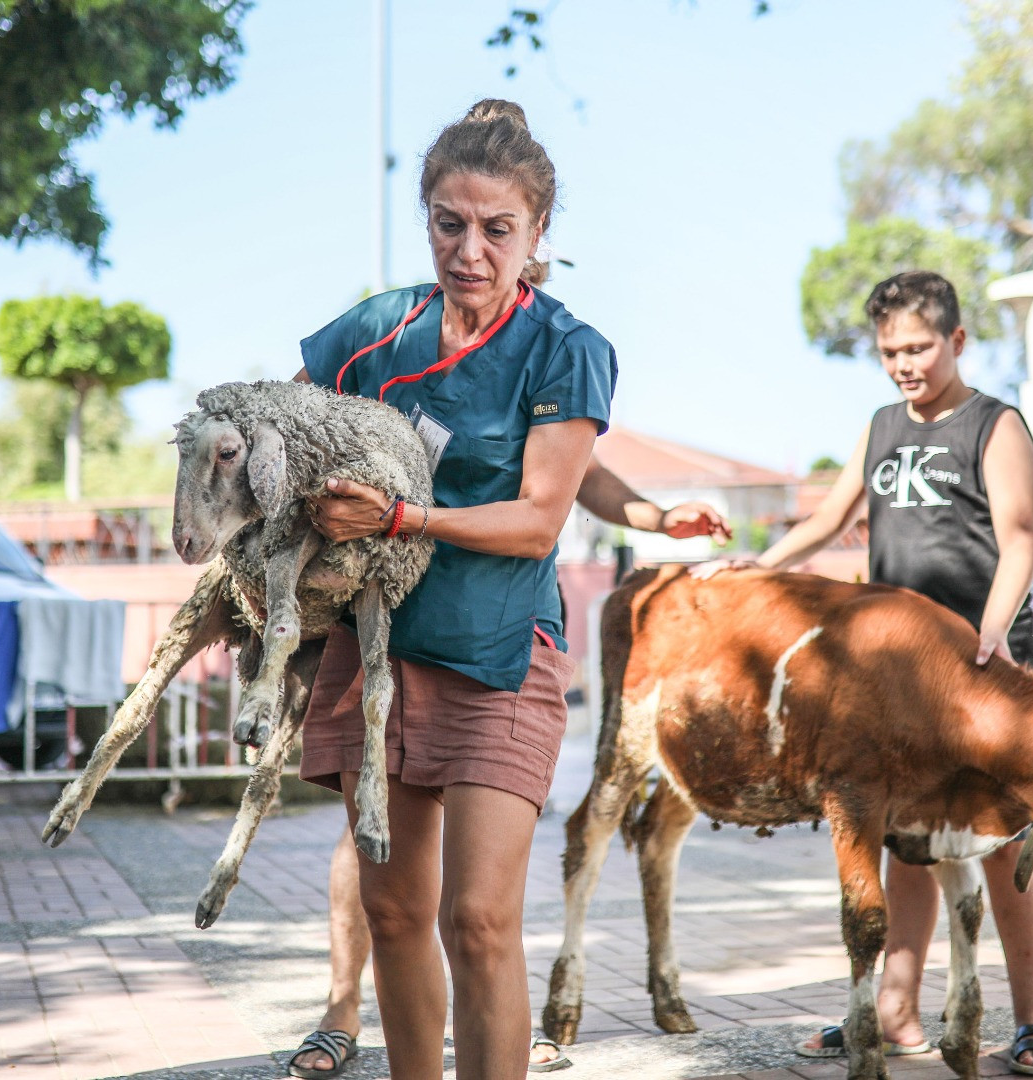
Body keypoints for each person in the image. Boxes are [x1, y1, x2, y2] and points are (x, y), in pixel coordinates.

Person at [290, 98, 615, 1080]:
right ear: (427, 215)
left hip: (498, 648)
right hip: (375, 651)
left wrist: (397, 520)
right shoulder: (376, 330)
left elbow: (539, 517)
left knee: (477, 920)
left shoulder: (564, 346)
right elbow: (282, 427)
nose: (468, 248)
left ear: (537, 233)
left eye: (495, 229)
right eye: (448, 222)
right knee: (393, 913)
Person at [704, 270, 1033, 1075]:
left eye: (919, 347)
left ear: (957, 341)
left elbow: (1020, 539)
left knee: (1008, 844)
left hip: (986, 666)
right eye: (890, 351)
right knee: (905, 845)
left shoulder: (993, 424)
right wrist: (758, 566)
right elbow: (831, 519)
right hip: (899, 682)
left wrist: (996, 629)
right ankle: (896, 1007)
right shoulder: (879, 426)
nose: (904, 363)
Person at [287, 460, 731, 1078]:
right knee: (385, 890)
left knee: (479, 920)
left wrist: (654, 517)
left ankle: (491, 1026)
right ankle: (342, 1009)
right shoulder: (369, 360)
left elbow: (577, 475)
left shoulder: (546, 364)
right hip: (377, 631)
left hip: (497, 639)